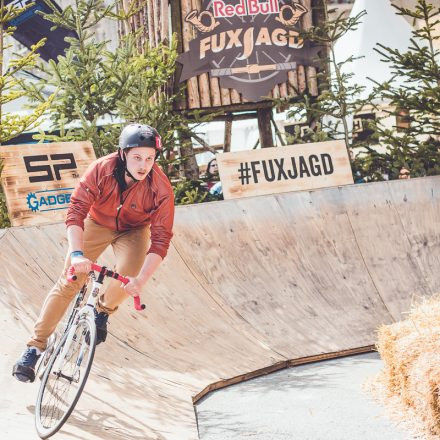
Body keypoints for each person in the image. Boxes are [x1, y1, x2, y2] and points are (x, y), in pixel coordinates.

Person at [12, 123, 175, 383]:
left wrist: (140, 281)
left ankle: (102, 310)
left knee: (129, 276)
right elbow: (76, 211)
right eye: (137, 157)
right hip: (97, 223)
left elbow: (161, 240)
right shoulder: (102, 168)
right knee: (69, 281)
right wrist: (77, 254)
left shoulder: (161, 187)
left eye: (149, 158)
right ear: (123, 154)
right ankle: (35, 346)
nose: (143, 165)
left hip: (133, 230)